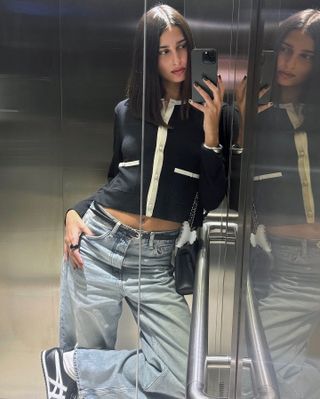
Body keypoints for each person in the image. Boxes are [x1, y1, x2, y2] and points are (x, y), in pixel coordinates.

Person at [41, 5, 227, 399]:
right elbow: (118, 180)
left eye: (181, 47)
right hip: (97, 245)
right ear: (148, 57)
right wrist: (73, 211)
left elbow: (211, 198)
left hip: (157, 264)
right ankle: (76, 366)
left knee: (183, 376)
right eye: (163, 51)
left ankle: (71, 364)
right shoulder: (126, 112)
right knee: (88, 384)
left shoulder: (210, 117)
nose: (177, 60)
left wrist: (212, 135)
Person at [236, 9, 320, 399]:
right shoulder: (256, 117)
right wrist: (243, 122)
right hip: (290, 268)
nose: (290, 63)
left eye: (306, 56)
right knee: (255, 375)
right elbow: (236, 192)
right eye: (286, 50)